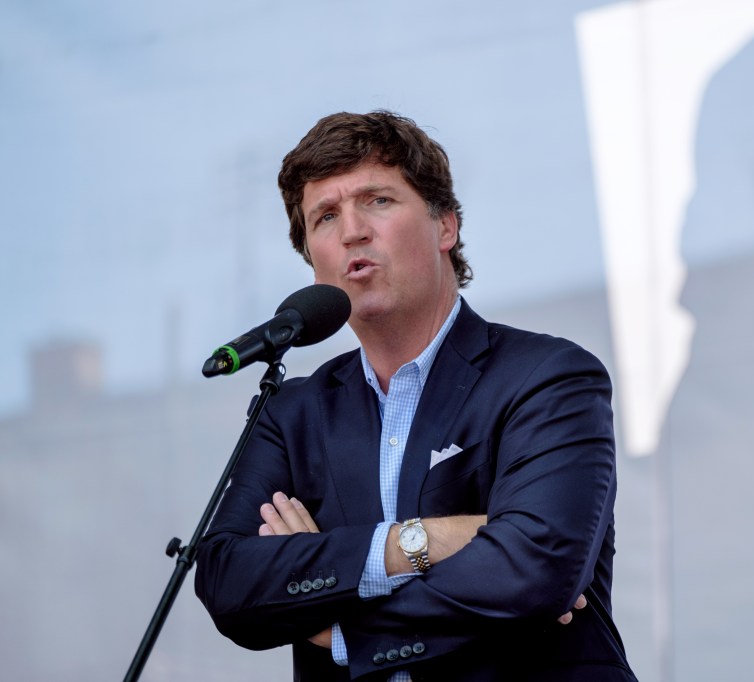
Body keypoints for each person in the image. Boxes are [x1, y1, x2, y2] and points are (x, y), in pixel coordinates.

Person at [195, 110, 636, 681]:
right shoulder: (292, 414)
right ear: (313, 263)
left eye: (377, 200)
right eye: (325, 216)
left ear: (445, 226)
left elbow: (536, 565)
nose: (352, 229)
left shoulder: (548, 377)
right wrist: (422, 542)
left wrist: (340, 626)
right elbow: (229, 580)